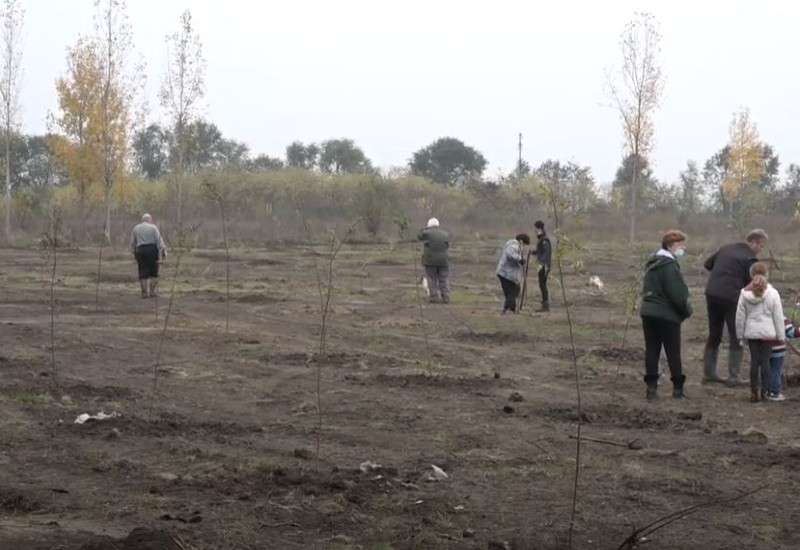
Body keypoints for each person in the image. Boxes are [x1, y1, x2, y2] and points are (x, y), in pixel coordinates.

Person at [702, 229, 768, 386]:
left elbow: (707, 264)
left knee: (714, 334)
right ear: (754, 242)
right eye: (761, 245)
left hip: (712, 293)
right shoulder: (751, 259)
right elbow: (751, 285)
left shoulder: (726, 248)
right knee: (736, 335)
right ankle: (733, 377)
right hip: (731, 298)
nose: (761, 249)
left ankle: (709, 374)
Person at [640, 230, 692, 400]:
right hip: (666, 315)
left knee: (652, 350)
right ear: (670, 245)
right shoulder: (669, 266)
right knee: (673, 352)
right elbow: (676, 294)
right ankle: (678, 390)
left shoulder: (652, 263)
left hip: (648, 312)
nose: (683, 248)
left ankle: (651, 389)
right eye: (680, 244)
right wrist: (686, 311)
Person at [735, 271, 784, 402]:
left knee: (754, 362)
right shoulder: (773, 294)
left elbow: (740, 317)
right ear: (766, 275)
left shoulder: (744, 294)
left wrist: (740, 336)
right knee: (766, 362)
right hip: (768, 334)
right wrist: (781, 335)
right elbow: (778, 316)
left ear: (752, 275)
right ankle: (765, 392)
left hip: (752, 333)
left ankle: (753, 392)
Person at [130, 213, 167, 298]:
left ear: (142, 220)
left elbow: (133, 243)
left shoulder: (136, 228)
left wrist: (134, 253)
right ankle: (152, 292)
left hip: (141, 250)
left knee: (142, 272)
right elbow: (159, 241)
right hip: (152, 250)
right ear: (150, 219)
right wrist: (163, 252)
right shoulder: (153, 227)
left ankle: (144, 293)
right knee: (154, 272)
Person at [417, 217, 450, 304]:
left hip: (430, 260)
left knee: (431, 278)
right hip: (444, 261)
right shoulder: (445, 233)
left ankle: (434, 297)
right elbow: (447, 245)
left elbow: (419, 236)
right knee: (444, 279)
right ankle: (446, 297)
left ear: (429, 225)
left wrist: (424, 229)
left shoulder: (427, 233)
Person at [496, 233, 531, 314]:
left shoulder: (515, 245)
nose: (524, 246)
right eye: (524, 244)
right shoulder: (514, 245)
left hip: (507, 273)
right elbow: (510, 253)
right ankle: (507, 310)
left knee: (512, 291)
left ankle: (511, 309)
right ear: (521, 241)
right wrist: (520, 259)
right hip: (505, 273)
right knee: (513, 291)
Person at [534, 220, 552, 312]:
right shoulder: (542, 239)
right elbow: (540, 251)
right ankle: (545, 304)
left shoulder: (545, 239)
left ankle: (546, 306)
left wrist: (542, 264)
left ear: (539, 228)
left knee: (542, 284)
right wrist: (534, 252)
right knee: (542, 284)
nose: (535, 231)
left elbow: (546, 252)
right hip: (542, 264)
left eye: (536, 228)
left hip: (544, 265)